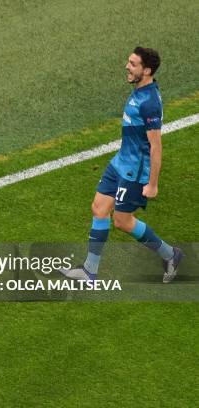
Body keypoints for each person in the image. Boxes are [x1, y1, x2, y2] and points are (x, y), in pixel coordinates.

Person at [61, 47, 183, 282]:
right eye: (129, 62)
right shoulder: (139, 90)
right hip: (120, 162)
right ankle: (89, 271)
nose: (127, 66)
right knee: (99, 208)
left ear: (146, 70)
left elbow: (156, 146)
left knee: (122, 221)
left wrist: (153, 184)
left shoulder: (149, 103)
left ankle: (171, 255)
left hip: (135, 171)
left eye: (133, 64)